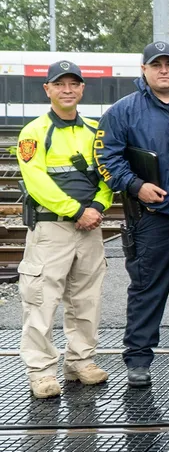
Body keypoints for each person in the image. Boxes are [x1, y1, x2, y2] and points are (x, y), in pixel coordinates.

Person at [95, 42, 169, 388]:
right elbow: (106, 160)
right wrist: (135, 185)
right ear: (143, 70)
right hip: (153, 216)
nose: (163, 70)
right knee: (147, 290)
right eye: (155, 65)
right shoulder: (123, 111)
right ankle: (138, 360)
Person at [16, 61, 113, 399]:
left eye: (74, 84)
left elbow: (107, 175)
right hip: (51, 229)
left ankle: (80, 362)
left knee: (86, 299)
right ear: (48, 89)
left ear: (82, 89)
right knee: (41, 300)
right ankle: (41, 372)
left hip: (90, 228)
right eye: (60, 84)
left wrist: (98, 207)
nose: (68, 90)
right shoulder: (34, 132)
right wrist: (76, 211)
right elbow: (37, 181)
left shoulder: (94, 131)